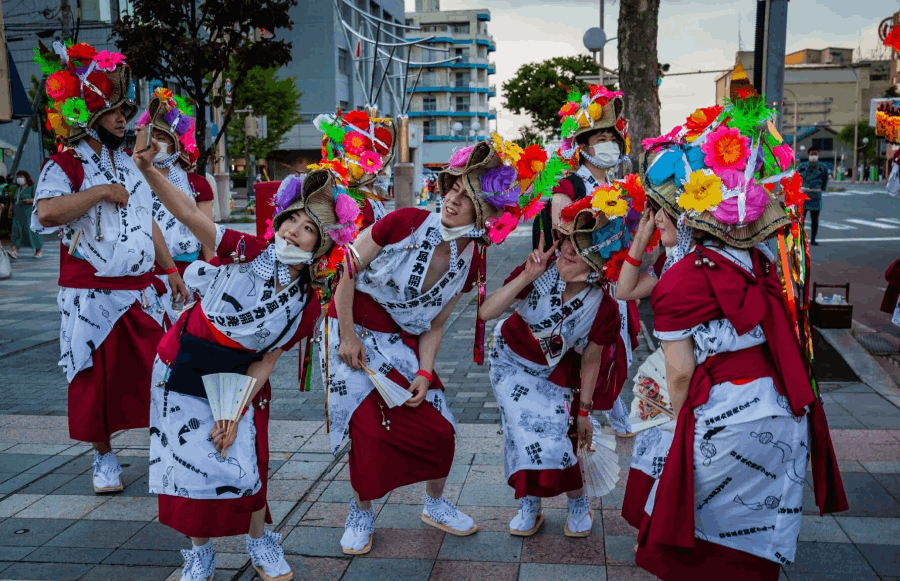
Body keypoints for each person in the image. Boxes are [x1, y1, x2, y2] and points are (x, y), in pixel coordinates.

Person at [629, 79, 847, 580]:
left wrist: (677, 427)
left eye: (660, 213)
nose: (655, 222)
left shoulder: (680, 280)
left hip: (727, 412)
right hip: (782, 412)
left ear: (684, 217)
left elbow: (680, 376)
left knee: (705, 534)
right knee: (755, 533)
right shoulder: (759, 260)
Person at [141, 151, 354, 579]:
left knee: (246, 460)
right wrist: (147, 170)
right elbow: (187, 213)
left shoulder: (307, 305)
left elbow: (266, 361)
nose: (294, 231)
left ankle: (261, 543)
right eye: (292, 219)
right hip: (182, 363)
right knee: (189, 463)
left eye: (309, 228)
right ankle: (199, 553)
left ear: (323, 243)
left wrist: (232, 413)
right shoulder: (245, 249)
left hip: (239, 381)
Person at [323, 137, 530, 555]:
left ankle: (434, 504)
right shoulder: (404, 221)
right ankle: (361, 511)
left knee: (441, 430)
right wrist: (346, 336)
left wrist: (423, 372)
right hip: (352, 326)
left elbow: (434, 324)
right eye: (452, 188)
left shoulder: (472, 259)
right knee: (369, 429)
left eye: (466, 197)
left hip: (401, 340)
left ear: (486, 212)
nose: (453, 200)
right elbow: (346, 269)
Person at [31, 42, 185, 493]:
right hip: (90, 295)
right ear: (90, 115)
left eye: (124, 111)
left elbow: (147, 219)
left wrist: (171, 270)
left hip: (140, 290)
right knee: (93, 381)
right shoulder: (64, 163)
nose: (123, 119)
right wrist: (99, 192)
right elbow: (45, 214)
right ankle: (103, 459)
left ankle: (168, 450)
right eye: (115, 111)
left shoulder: (130, 163)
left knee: (163, 371)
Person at [480, 185, 640, 537]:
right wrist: (526, 276)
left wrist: (584, 412)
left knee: (561, 434)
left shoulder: (605, 308)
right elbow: (486, 311)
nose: (565, 249)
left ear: (596, 261)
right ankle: (529, 502)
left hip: (554, 370)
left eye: (577, 248)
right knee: (520, 433)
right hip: (509, 362)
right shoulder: (539, 270)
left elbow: (593, 359)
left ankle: (578, 500)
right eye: (565, 241)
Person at [532, 85, 637, 437]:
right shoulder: (570, 185)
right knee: (575, 350)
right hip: (575, 282)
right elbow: (563, 226)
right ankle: (573, 409)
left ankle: (610, 399)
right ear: (582, 147)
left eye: (612, 137)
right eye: (599, 137)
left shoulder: (623, 186)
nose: (607, 143)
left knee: (614, 347)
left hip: (614, 281)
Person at [136, 88, 215, 322]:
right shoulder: (132, 180)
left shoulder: (197, 184)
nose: (157, 145)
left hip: (189, 270)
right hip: (147, 272)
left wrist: (213, 271)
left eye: (163, 139)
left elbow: (207, 234)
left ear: (175, 143)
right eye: (154, 137)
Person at [797, 148, 828, 245]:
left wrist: (821, 188)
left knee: (815, 219)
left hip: (816, 196)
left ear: (818, 155)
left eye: (815, 154)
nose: (813, 156)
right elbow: (797, 178)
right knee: (801, 219)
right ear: (808, 155)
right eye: (812, 154)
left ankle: (813, 239)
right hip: (804, 195)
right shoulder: (802, 166)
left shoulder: (822, 167)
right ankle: (801, 238)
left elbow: (825, 179)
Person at [8, 171, 42, 259]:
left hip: (28, 213)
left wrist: (30, 200)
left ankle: (38, 250)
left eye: (21, 176)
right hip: (18, 213)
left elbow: (37, 199)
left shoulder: (31, 188)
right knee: (16, 231)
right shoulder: (17, 189)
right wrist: (10, 211)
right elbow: (13, 200)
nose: (19, 178)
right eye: (18, 176)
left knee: (30, 231)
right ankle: (15, 250)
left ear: (26, 178)